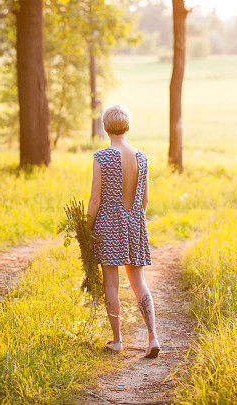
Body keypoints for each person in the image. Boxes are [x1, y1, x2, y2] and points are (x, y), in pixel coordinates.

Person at [86, 104, 159, 359]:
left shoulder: (101, 158)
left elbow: (95, 200)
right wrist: (135, 220)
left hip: (109, 225)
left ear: (106, 129)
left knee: (111, 283)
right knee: (139, 282)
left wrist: (87, 228)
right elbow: (145, 200)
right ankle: (153, 337)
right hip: (135, 222)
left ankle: (117, 341)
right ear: (128, 127)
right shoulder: (141, 157)